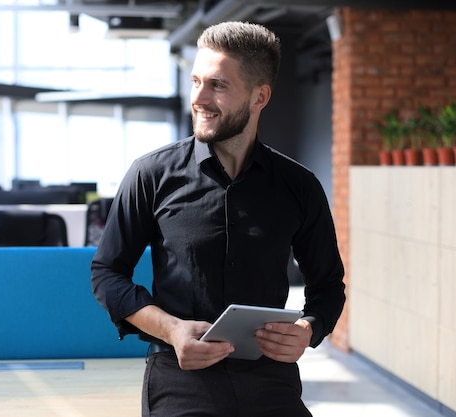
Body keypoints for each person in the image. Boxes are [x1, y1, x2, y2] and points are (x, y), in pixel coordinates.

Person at [91, 21, 345, 417]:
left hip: (270, 379)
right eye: (196, 82)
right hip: (179, 375)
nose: (199, 98)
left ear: (260, 96)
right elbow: (107, 273)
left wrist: (308, 330)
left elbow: (328, 285)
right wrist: (171, 330)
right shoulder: (151, 175)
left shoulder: (300, 186)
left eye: (218, 85)